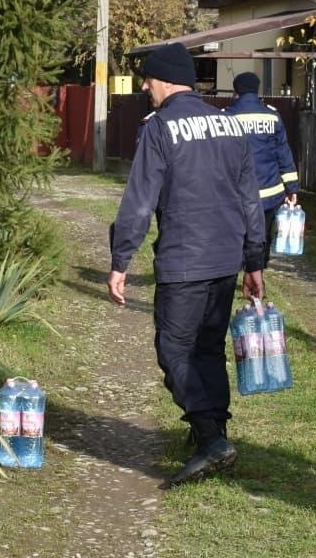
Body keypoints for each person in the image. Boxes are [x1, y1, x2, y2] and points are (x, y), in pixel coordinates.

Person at [108, 42, 267, 488]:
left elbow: (140, 202)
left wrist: (121, 260)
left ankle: (210, 437)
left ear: (165, 81)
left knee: (174, 349)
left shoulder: (159, 128)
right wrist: (254, 261)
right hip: (225, 260)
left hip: (184, 260)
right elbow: (250, 200)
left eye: (148, 80)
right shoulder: (230, 125)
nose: (144, 87)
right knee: (208, 348)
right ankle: (215, 435)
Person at [224, 72, 299, 259]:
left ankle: (241, 266)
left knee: (238, 238)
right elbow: (284, 154)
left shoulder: (226, 117)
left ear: (236, 91)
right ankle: (259, 268)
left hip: (238, 195)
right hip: (270, 194)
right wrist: (292, 188)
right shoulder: (273, 116)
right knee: (262, 238)